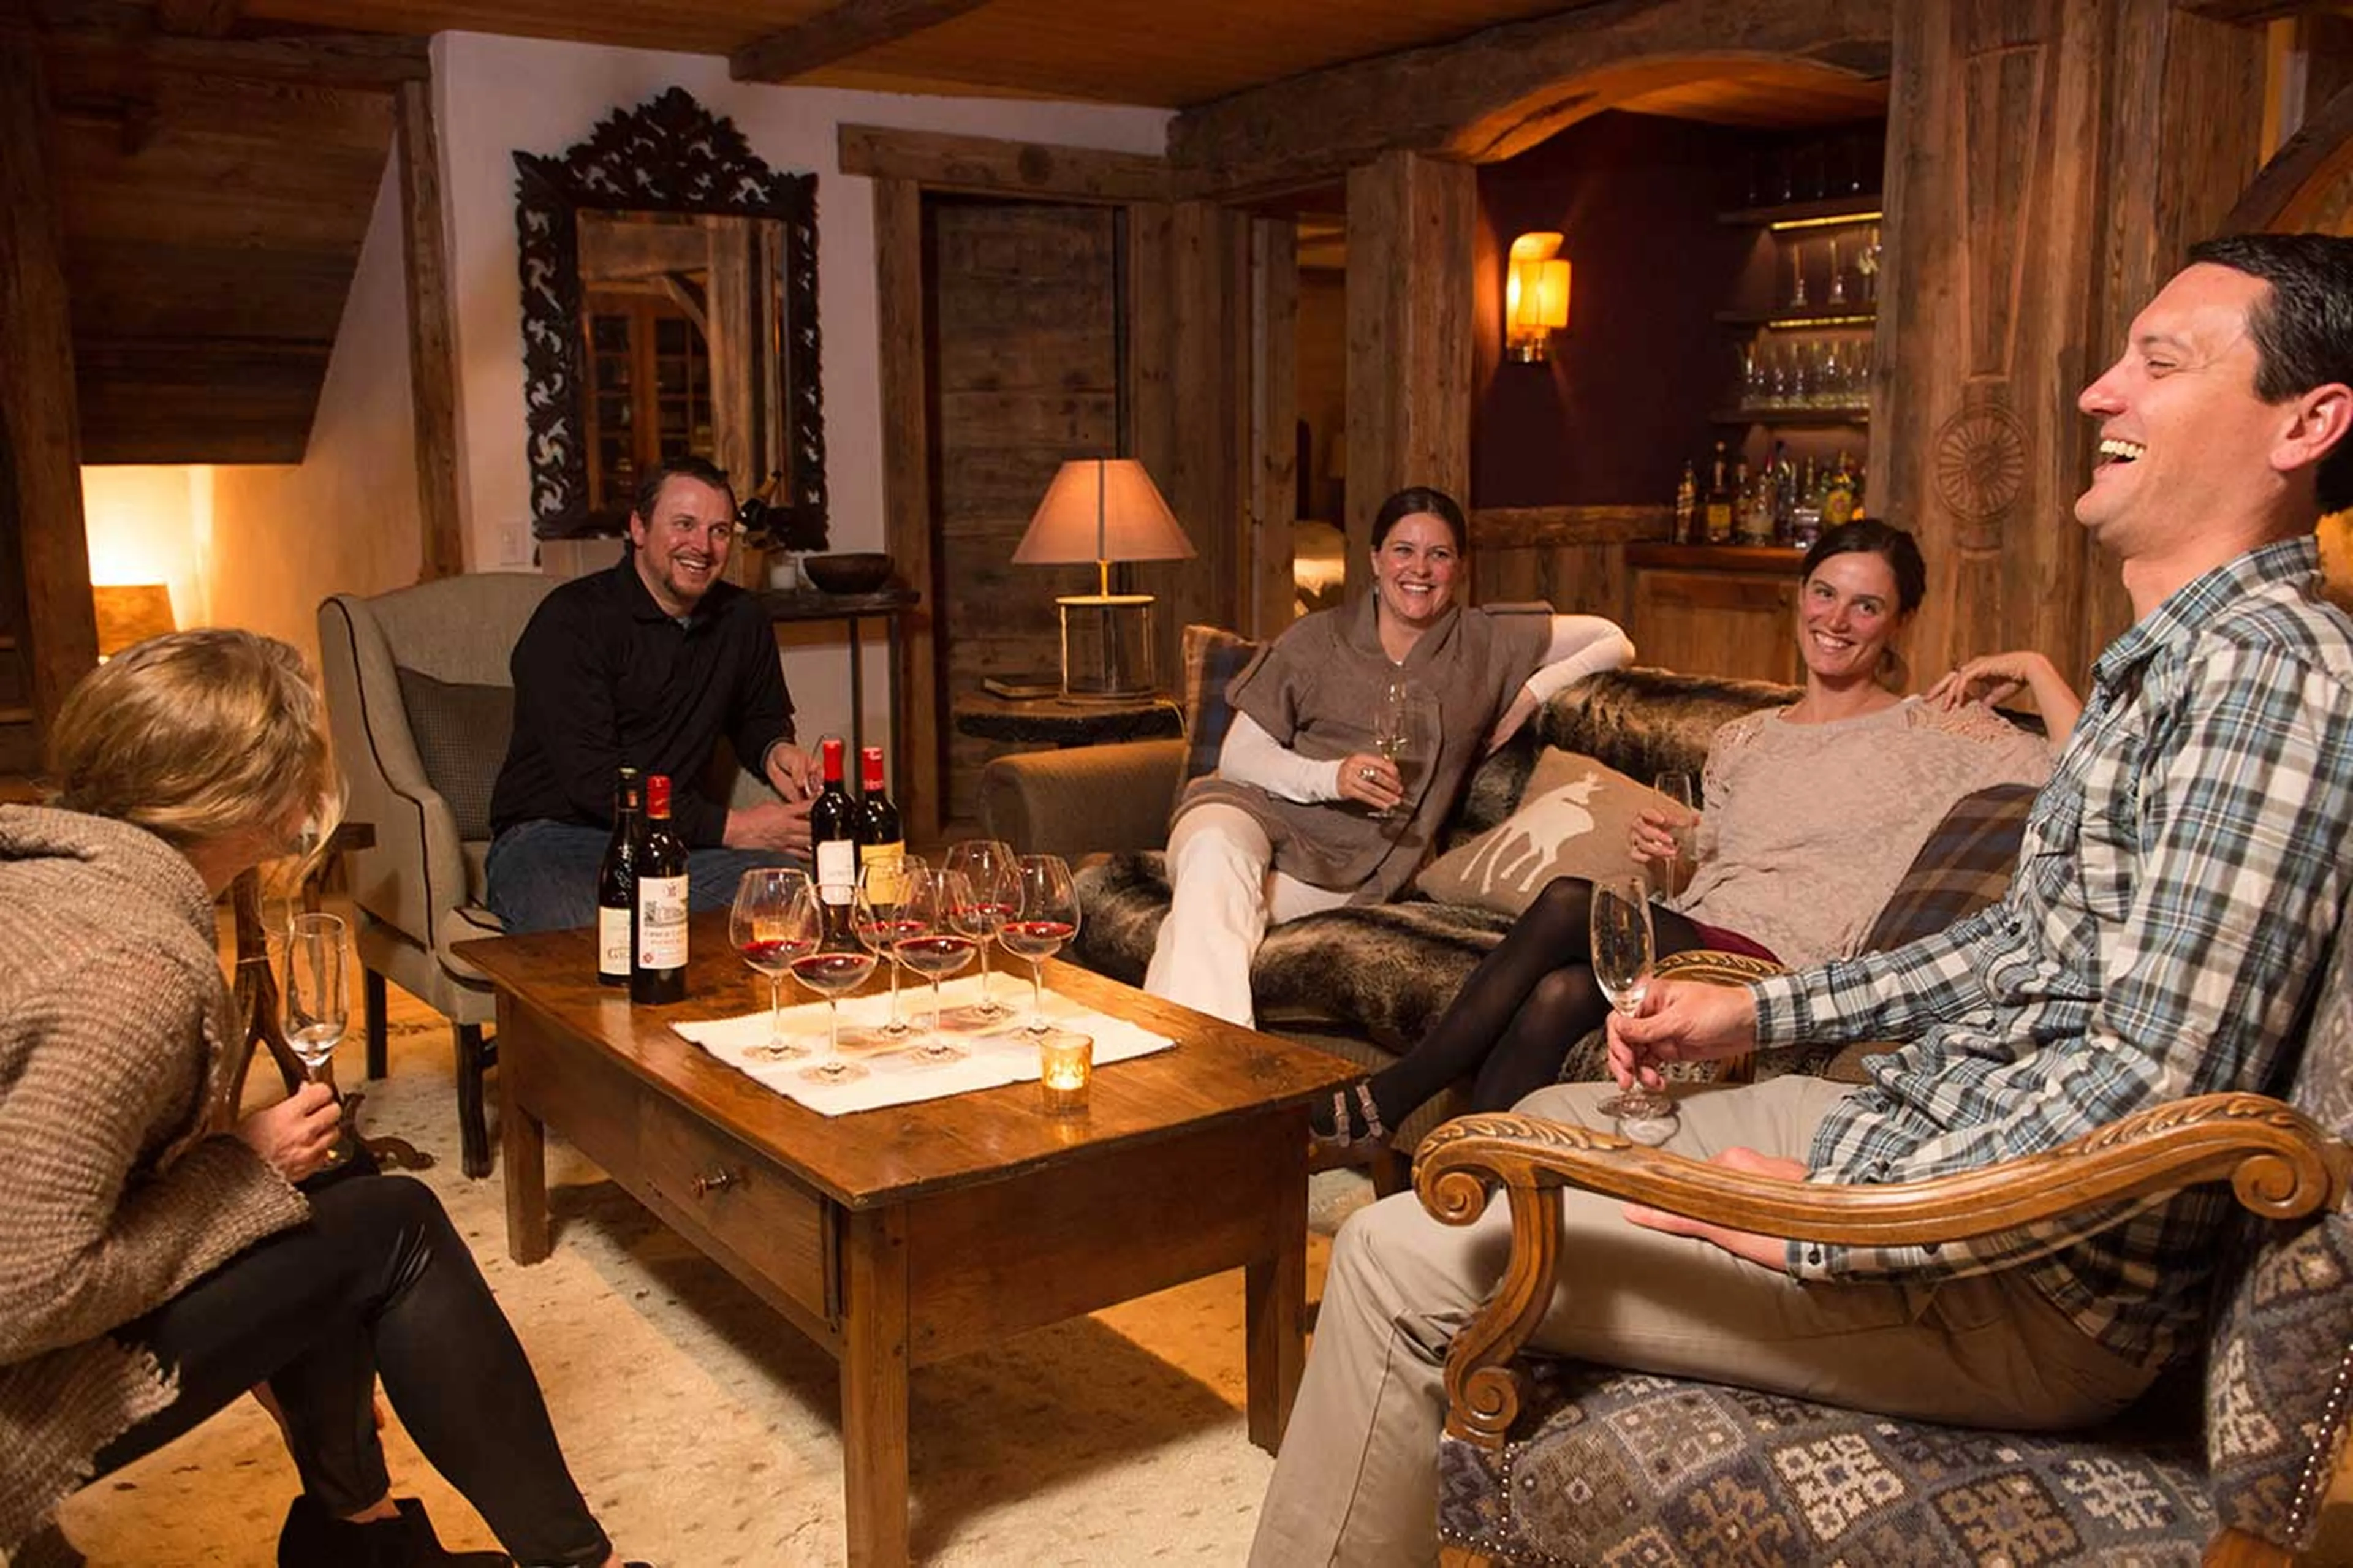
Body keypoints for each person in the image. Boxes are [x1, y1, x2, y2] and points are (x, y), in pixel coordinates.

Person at [1249, 232, 2353, 1568]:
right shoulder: (2170, 668)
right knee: (1539, 1120)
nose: (2097, 393)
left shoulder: (2270, 681)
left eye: (2156, 363)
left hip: (2015, 1281)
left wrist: (1826, 1198)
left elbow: (2158, 1080)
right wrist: (1753, 1016)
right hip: (1954, 1141)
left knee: (1397, 1253)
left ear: (2308, 420)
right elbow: (2014, 942)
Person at [1, 631, 651, 1568]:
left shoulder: (44, 875)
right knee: (393, 1222)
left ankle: (355, 1528)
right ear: (252, 798)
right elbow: (29, 1292)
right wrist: (242, 1170)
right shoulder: (128, 970)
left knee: (326, 1201)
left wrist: (251, 1220)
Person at [1309, 519, 2061, 1154]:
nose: (1836, 620)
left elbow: (2087, 763)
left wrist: (2032, 667)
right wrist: (1679, 853)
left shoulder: (1937, 731)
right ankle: (1477, 1176)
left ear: (1899, 623)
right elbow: (1721, 867)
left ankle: (1397, 1092)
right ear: (1799, 597)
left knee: (1574, 900)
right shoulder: (1747, 738)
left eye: (1866, 607)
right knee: (1561, 992)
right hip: (1706, 938)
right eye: (1824, 594)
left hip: (1784, 969)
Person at [1142, 485, 1635, 1028]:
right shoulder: (1316, 639)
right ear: (1376, 560)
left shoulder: (1487, 641)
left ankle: (1163, 1075)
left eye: (1439, 554)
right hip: (1248, 817)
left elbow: (1611, 639)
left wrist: (1527, 697)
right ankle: (1215, 1080)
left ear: (1460, 568)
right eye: (1403, 550)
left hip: (1356, 872)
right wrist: (1333, 776)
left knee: (1201, 923)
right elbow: (1239, 757)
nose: (1419, 569)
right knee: (1213, 853)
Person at [485, 454, 819, 934]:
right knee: (600, 927)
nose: (701, 546)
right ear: (639, 528)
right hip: (553, 839)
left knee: (798, 890)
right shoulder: (571, 621)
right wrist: (738, 828)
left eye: (719, 531)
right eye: (684, 524)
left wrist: (776, 752)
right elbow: (596, 783)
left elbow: (758, 716)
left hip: (670, 843)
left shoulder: (741, 619)